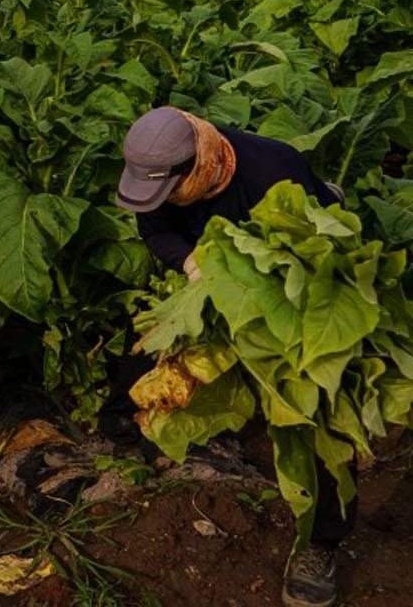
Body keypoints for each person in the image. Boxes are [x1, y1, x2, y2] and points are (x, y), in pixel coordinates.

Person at [115, 105, 347, 607]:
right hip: (217, 283)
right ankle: (159, 455)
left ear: (196, 169)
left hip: (297, 284)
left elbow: (315, 260)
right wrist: (189, 258)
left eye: (166, 191)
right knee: (151, 353)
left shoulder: (272, 169)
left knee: (315, 410)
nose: (157, 200)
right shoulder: (161, 176)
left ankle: (322, 542)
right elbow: (155, 232)